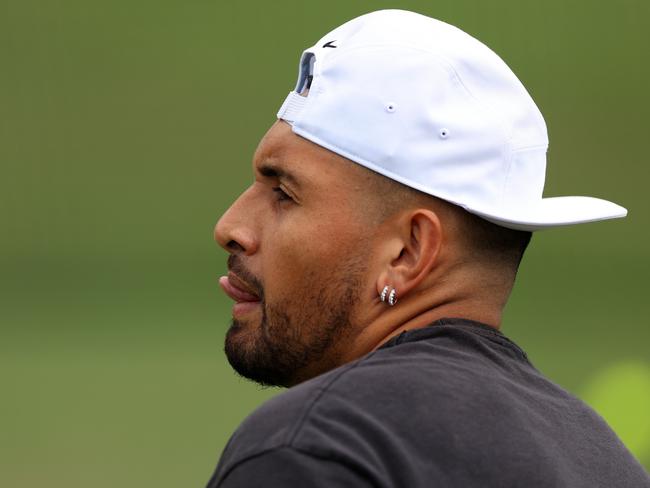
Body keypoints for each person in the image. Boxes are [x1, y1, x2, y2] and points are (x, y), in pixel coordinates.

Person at [206, 9, 649, 487]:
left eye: (283, 193)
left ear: (407, 253)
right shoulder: (604, 458)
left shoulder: (317, 448)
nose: (229, 226)